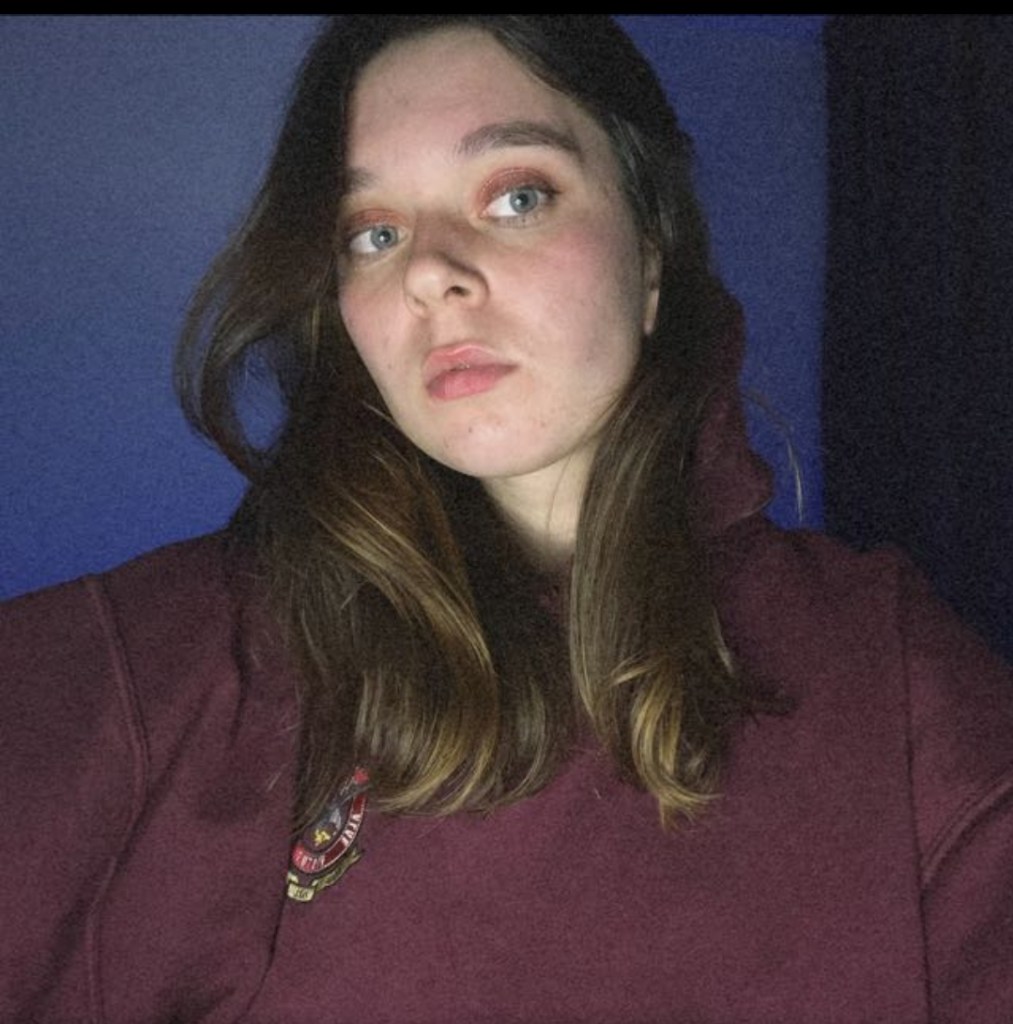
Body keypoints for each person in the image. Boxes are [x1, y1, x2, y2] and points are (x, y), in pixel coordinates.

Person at [2, 15, 1012, 1023]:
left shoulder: (886, 677)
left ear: (648, 256)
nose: (428, 270)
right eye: (373, 233)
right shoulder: (189, 660)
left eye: (517, 196)